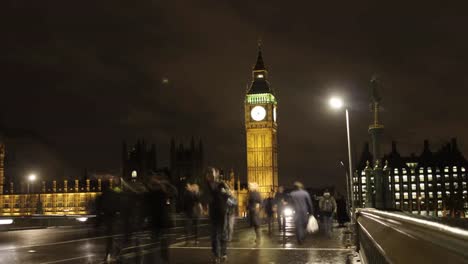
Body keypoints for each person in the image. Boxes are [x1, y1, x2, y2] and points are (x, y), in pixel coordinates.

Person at [206, 167, 231, 263]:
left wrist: (226, 193)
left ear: (215, 174)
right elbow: (204, 197)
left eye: (212, 173)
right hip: (213, 213)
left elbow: (229, 194)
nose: (211, 175)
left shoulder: (222, 184)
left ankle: (224, 253)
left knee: (223, 234)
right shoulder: (207, 186)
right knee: (214, 235)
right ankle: (216, 254)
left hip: (222, 212)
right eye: (209, 173)